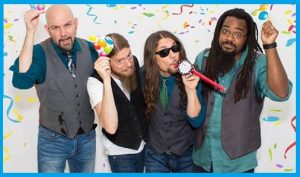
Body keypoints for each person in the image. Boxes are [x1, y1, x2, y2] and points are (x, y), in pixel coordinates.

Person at [192, 8, 293, 173]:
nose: (229, 38)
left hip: (238, 165)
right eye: (225, 31)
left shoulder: (258, 63)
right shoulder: (203, 59)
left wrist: (270, 46)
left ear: (247, 39)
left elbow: (281, 94)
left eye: (238, 34)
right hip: (201, 158)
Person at [9, 5, 98, 172]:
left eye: (67, 25)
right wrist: (30, 32)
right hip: (52, 139)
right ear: (47, 29)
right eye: (55, 28)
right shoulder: (37, 53)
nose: (63, 33)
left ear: (76, 23)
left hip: (87, 137)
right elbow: (21, 82)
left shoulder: (91, 49)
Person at [142, 30, 206, 172]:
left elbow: (196, 121)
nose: (173, 55)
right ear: (153, 57)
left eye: (175, 48)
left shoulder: (192, 75)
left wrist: (191, 90)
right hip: (155, 154)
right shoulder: (143, 77)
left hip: (186, 154)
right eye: (164, 52)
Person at [87, 33, 146, 172]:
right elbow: (110, 127)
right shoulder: (95, 82)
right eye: (119, 61)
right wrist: (106, 79)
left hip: (144, 146)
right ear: (106, 61)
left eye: (129, 56)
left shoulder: (133, 63)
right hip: (120, 154)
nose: (128, 64)